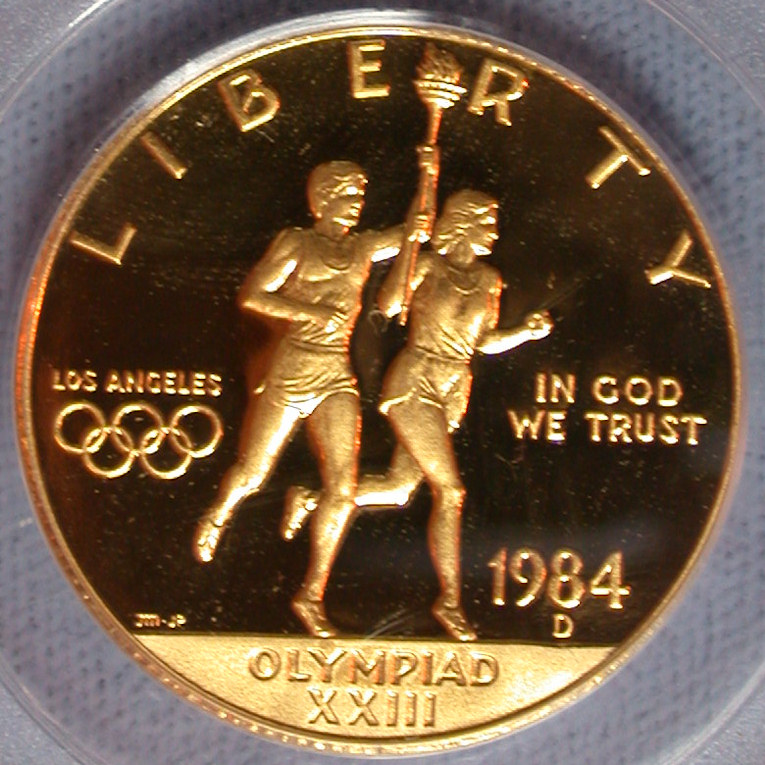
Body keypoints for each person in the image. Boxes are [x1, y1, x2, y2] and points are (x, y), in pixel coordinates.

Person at [283, 189, 553, 641]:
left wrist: (524, 333)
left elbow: (483, 342)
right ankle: (448, 602)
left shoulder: (489, 279)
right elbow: (389, 306)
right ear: (464, 224)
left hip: (454, 387)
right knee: (450, 490)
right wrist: (409, 251)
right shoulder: (427, 266)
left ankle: (311, 499)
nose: (495, 232)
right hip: (416, 381)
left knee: (397, 489)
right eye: (488, 222)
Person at [193, 160, 424, 639]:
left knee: (343, 487)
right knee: (254, 473)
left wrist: (425, 181)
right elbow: (254, 296)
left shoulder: (362, 247)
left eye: (361, 195)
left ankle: (312, 594)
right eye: (348, 194)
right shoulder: (297, 243)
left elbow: (411, 232)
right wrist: (310, 312)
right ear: (322, 199)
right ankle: (219, 514)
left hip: (336, 373)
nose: (357, 203)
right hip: (293, 369)